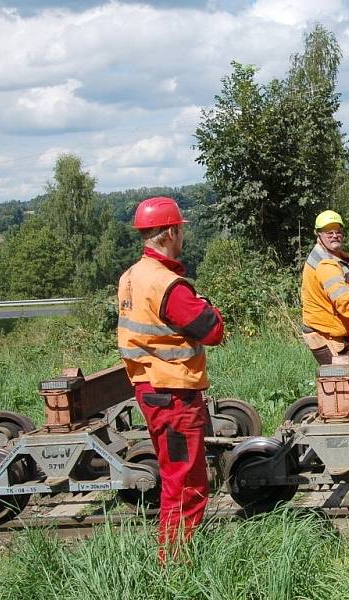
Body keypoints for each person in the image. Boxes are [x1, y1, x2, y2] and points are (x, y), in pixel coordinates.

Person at [117, 196, 224, 560]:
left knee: (173, 474)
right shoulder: (168, 284)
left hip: (149, 390)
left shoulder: (130, 276)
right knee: (187, 482)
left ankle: (173, 552)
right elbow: (212, 329)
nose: (182, 237)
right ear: (169, 233)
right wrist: (210, 307)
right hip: (174, 395)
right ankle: (175, 562)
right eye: (179, 230)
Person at [301, 210, 349, 364]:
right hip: (325, 336)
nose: (334, 235)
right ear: (318, 235)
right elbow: (345, 303)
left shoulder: (334, 256)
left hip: (334, 333)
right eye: (329, 232)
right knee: (344, 382)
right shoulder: (326, 264)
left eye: (338, 231)